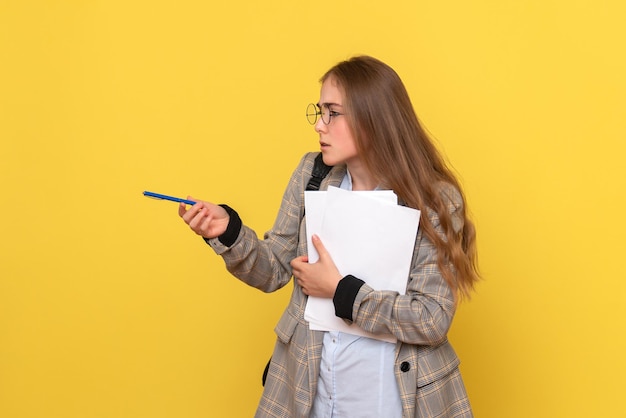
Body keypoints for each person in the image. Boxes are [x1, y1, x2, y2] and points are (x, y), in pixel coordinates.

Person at [178, 55, 479, 418]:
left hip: (389, 397)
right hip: (311, 392)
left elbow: (431, 317)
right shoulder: (313, 174)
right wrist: (227, 231)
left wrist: (341, 292)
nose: (320, 126)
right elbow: (273, 268)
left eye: (332, 113)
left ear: (373, 118)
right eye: (319, 111)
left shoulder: (435, 199)